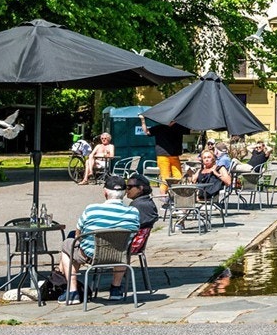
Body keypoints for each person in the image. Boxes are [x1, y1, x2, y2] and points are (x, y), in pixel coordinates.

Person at [56, 174, 141, 305]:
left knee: (68, 244)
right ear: (124, 193)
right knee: (122, 246)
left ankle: (72, 291)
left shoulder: (92, 209)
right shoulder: (133, 212)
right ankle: (115, 289)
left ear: (105, 192)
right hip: (119, 256)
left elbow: (78, 233)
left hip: (91, 255)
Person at [141, 115, 186, 183]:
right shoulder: (162, 127)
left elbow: (146, 132)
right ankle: (164, 193)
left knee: (177, 178)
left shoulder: (177, 127)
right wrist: (143, 120)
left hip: (171, 155)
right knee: (166, 179)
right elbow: (146, 132)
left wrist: (143, 120)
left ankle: (174, 192)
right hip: (164, 155)